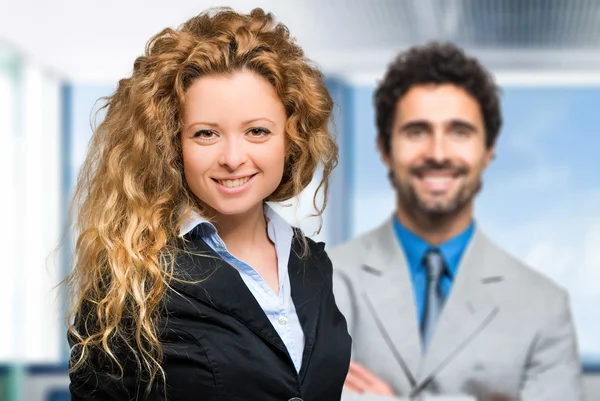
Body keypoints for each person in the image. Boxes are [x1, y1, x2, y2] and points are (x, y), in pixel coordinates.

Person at [66, 7, 351, 401]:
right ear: (171, 145)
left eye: (257, 131)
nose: (233, 157)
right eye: (205, 134)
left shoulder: (312, 264)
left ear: (290, 137)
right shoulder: (129, 280)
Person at [329, 42, 583, 401]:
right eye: (417, 131)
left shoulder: (544, 306)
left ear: (488, 151)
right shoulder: (324, 279)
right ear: (385, 149)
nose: (438, 153)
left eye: (459, 132)